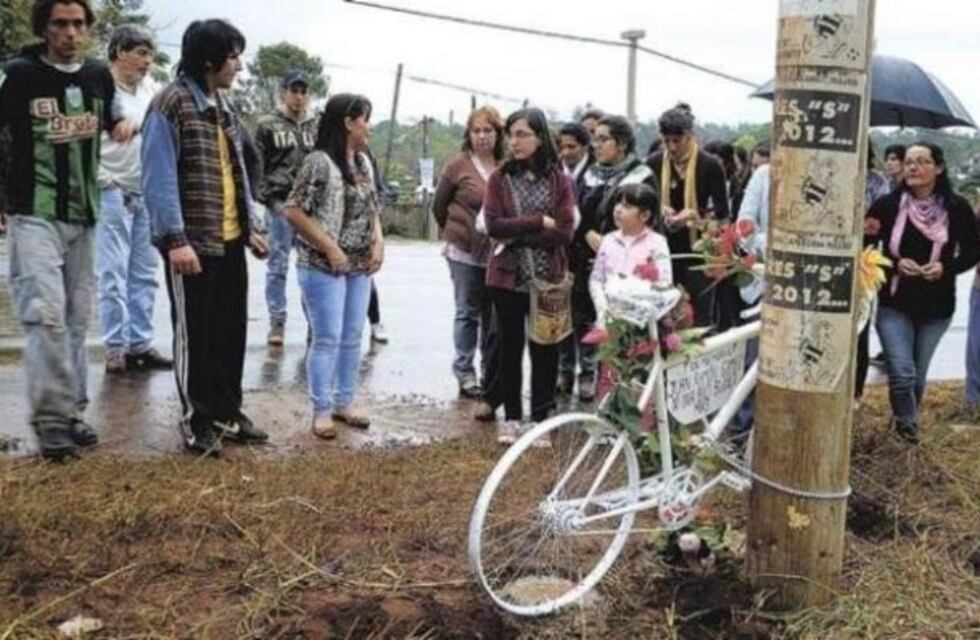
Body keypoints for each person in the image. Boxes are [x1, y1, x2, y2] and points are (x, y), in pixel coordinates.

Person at [0, 0, 133, 460]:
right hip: (33, 212)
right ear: (44, 28)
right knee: (46, 315)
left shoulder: (97, 75)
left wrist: (120, 126)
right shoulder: (16, 75)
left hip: (86, 213)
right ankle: (50, 422)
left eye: (79, 24)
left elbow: (115, 115)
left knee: (77, 319)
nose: (71, 33)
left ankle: (72, 411)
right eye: (61, 24)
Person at [142, 19, 270, 456]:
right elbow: (158, 178)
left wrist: (252, 226)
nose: (238, 65)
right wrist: (175, 239)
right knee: (195, 335)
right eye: (233, 56)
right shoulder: (170, 103)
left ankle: (227, 413)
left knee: (230, 332)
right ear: (209, 60)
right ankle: (196, 420)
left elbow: (244, 163)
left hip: (231, 240)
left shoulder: (224, 106)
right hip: (192, 244)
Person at [284, 93, 384, 440]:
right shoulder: (319, 162)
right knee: (326, 337)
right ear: (348, 122)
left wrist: (378, 241)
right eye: (365, 119)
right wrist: (330, 247)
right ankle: (321, 409)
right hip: (322, 265)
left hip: (358, 265)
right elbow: (294, 210)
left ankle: (344, 401)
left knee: (351, 336)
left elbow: (372, 207)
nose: (368, 127)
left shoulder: (363, 162)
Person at [865, 142, 980, 444]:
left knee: (915, 378)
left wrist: (947, 267)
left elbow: (972, 251)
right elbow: (866, 247)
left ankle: (902, 428)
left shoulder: (957, 208)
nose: (913, 167)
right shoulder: (886, 206)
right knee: (902, 373)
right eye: (909, 162)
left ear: (939, 168)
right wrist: (892, 265)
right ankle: (909, 438)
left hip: (937, 308)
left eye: (922, 161)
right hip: (894, 303)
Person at [483, 107, 575, 442]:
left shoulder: (559, 180)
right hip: (507, 278)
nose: (514, 141)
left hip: (548, 278)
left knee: (545, 349)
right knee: (509, 348)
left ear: (540, 137)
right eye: (511, 134)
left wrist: (516, 234)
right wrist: (537, 222)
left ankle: (540, 418)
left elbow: (564, 231)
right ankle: (511, 416)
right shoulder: (499, 178)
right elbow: (494, 225)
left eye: (522, 134)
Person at [96, 25, 171, 375]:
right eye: (140, 53)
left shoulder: (151, 89)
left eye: (149, 54)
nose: (146, 61)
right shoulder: (99, 87)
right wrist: (101, 180)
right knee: (112, 272)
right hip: (111, 189)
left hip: (145, 191)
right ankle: (115, 346)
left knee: (145, 272)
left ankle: (140, 344)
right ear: (118, 52)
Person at [564, 114, 656, 401]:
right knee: (584, 320)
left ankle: (616, 389)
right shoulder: (589, 175)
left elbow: (648, 224)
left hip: (625, 266)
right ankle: (586, 373)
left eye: (603, 139)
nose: (597, 145)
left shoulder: (641, 176)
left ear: (623, 143)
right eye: (595, 139)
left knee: (618, 328)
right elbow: (574, 214)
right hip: (587, 260)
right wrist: (585, 234)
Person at [432, 106, 504, 400]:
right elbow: (439, 205)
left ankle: (491, 372)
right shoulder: (457, 165)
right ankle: (464, 370)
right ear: (468, 134)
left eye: (488, 130)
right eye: (476, 131)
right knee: (467, 311)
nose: (482, 136)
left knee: (494, 316)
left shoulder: (506, 165)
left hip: (499, 253)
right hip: (463, 251)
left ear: (498, 134)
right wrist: (455, 231)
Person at [647, 103, 729, 328]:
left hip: (698, 253)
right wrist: (658, 209)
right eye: (667, 141)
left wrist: (694, 216)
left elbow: (722, 216)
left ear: (690, 136)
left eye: (677, 140)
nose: (672, 147)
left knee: (702, 318)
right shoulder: (653, 163)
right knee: (662, 316)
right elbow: (642, 206)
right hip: (664, 251)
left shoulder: (710, 165)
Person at [254, 70, 316, 347]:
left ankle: (314, 322)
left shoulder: (316, 125)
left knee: (312, 266)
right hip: (280, 202)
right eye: (294, 91)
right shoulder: (268, 125)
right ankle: (276, 321)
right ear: (284, 92)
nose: (299, 96)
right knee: (278, 265)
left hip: (310, 207)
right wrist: (265, 197)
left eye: (303, 91)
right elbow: (257, 164)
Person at [589, 183, 672, 323]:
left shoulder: (657, 243)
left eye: (626, 207)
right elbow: (596, 279)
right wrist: (602, 309)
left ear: (645, 215)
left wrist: (638, 309)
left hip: (644, 319)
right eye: (618, 204)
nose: (618, 210)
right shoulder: (608, 240)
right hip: (610, 316)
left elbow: (664, 282)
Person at [855, 143, 893, 402]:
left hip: (863, 259)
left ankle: (856, 390)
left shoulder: (878, 183)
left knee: (860, 323)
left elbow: (882, 224)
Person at [557, 122, 593, 199]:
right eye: (562, 147)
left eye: (571, 147)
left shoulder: (596, 173)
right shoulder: (553, 170)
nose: (565, 152)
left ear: (585, 147)